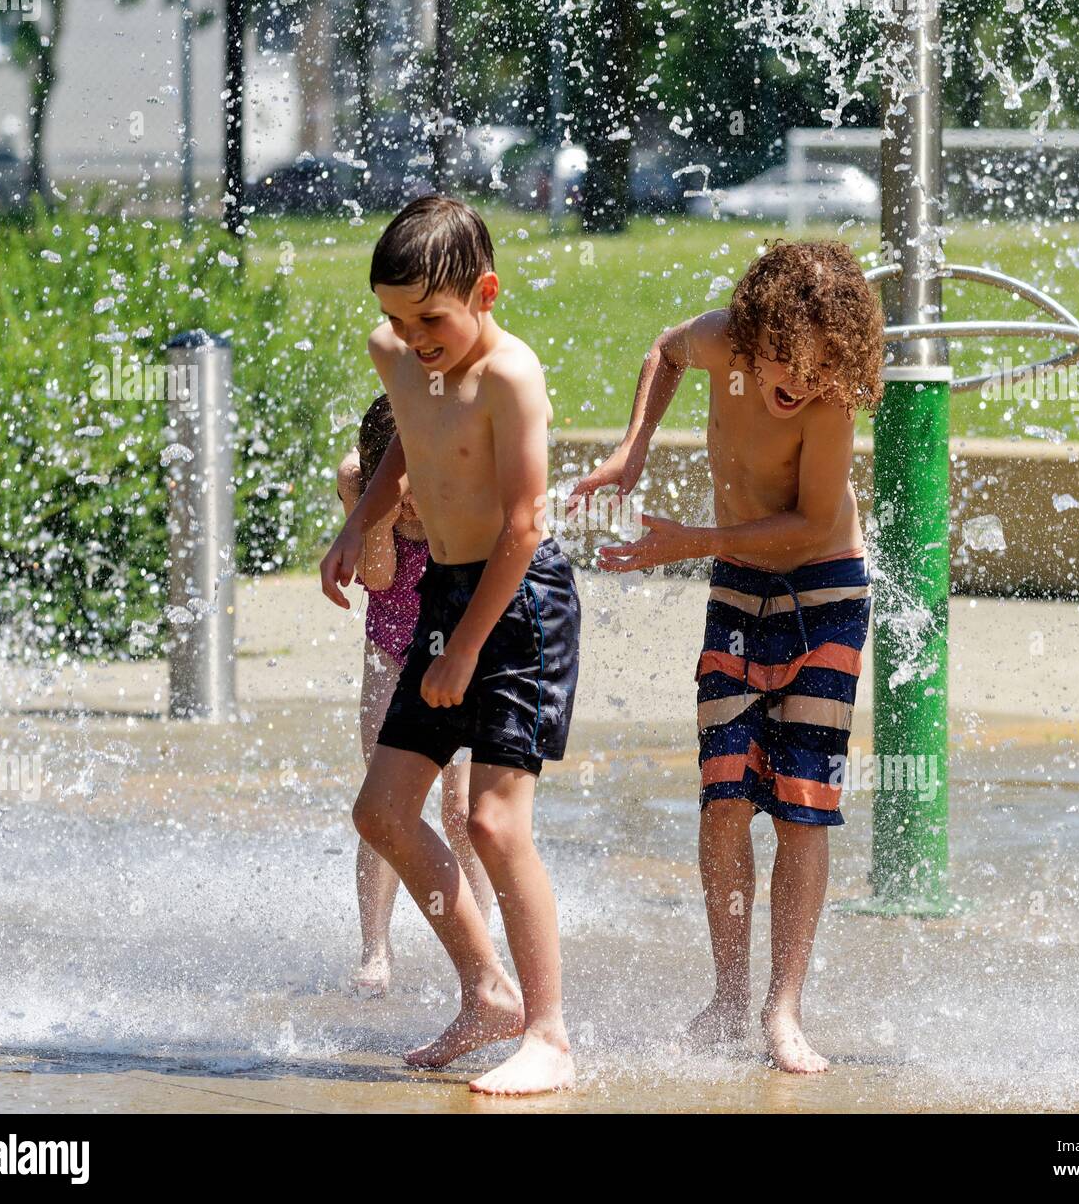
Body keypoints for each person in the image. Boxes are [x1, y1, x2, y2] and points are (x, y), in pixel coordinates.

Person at [569, 239, 884, 1073]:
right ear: (757, 331)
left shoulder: (829, 404)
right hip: (739, 588)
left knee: (802, 804)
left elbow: (813, 527)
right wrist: (634, 448)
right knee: (723, 797)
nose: (799, 384)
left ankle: (784, 1008)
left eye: (820, 370)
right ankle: (726, 996)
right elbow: (664, 351)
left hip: (825, 594)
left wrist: (690, 541)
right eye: (788, 362)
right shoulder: (723, 339)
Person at [320, 195, 580, 1096]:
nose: (411, 336)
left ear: (487, 290)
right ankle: (486, 991)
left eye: (431, 317)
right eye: (395, 316)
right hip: (446, 594)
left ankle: (548, 1032)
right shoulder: (397, 351)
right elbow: (410, 439)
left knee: (492, 820)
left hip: (519, 603)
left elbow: (521, 525)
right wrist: (363, 520)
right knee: (382, 813)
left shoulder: (511, 377)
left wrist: (466, 648)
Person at [334, 395, 492, 996]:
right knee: (384, 807)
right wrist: (373, 509)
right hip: (389, 653)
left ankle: (479, 951)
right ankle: (374, 949)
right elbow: (376, 577)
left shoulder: (460, 480)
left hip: (457, 656)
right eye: (393, 489)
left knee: (462, 812)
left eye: (412, 487)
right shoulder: (362, 484)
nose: (408, 504)